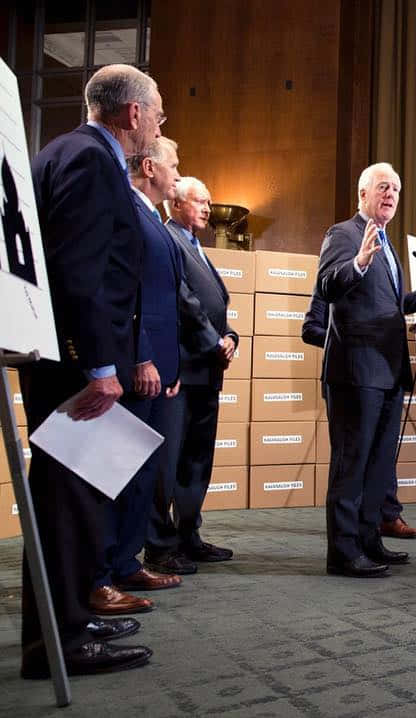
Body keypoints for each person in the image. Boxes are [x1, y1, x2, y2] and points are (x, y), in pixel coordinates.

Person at [20, 64, 160, 679]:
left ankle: (71, 617)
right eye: (157, 111)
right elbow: (79, 273)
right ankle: (58, 644)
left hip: (70, 357)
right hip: (74, 365)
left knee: (74, 502)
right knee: (66, 504)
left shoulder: (67, 151)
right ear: (133, 113)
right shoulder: (89, 160)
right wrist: (100, 367)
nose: (159, 123)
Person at [317, 162, 416, 578]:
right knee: (352, 464)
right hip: (355, 373)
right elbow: (327, 286)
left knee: (378, 465)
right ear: (362, 193)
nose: (391, 194)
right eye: (383, 187)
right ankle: (344, 552)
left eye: (397, 190)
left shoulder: (384, 243)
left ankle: (369, 541)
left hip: (388, 372)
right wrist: (360, 263)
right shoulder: (345, 234)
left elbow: (394, 305)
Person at [86, 137, 187, 613]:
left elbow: (166, 298)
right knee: (117, 472)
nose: (178, 172)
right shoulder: (127, 207)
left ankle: (127, 562)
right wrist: (143, 357)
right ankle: (100, 573)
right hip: (135, 364)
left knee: (144, 474)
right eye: (173, 163)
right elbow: (123, 291)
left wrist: (172, 365)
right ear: (149, 166)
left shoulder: (153, 217)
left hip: (159, 369)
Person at [143, 176, 239, 575]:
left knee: (197, 461)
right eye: (200, 201)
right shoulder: (169, 240)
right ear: (176, 204)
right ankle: (159, 546)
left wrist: (230, 335)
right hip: (181, 368)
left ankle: (188, 535)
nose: (207, 207)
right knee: (168, 464)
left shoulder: (197, 245)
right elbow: (183, 301)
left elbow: (214, 302)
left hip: (207, 370)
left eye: (208, 201)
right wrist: (213, 341)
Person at [301, 283, 416, 539]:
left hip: (382, 376)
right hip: (349, 375)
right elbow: (310, 330)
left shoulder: (378, 290)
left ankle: (386, 516)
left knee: (382, 457)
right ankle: (352, 533)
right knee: (355, 459)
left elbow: (399, 307)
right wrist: (352, 341)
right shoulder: (330, 284)